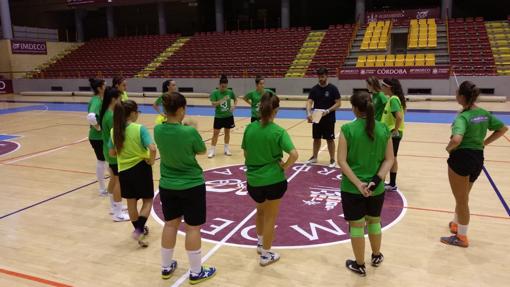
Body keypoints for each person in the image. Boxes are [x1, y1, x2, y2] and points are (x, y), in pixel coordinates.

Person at [155, 92, 216, 284]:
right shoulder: (189, 132)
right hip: (191, 185)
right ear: (181, 109)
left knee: (170, 224)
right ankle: (196, 272)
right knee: (192, 228)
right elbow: (202, 150)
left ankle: (166, 267)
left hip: (167, 184)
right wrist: (192, 130)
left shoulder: (157, 130)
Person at [441, 81, 508, 247]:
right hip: (478, 158)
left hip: (461, 159)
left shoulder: (463, 117)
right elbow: (502, 129)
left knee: (462, 200)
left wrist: (448, 148)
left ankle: (461, 237)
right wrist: (484, 143)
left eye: (457, 93)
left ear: (462, 97)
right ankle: (456, 224)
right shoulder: (484, 114)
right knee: (463, 196)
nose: (455, 95)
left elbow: (457, 139)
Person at [338, 91, 394, 277]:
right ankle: (376, 256)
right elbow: (389, 160)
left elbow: (342, 161)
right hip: (376, 189)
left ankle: (360, 264)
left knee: (356, 225)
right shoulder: (384, 129)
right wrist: (375, 181)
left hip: (352, 189)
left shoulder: (347, 130)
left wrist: (359, 184)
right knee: (374, 220)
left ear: (354, 108)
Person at [242, 92, 299, 266]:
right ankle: (266, 254)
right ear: (276, 110)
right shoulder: (278, 132)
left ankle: (260, 244)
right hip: (273, 180)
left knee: (260, 211)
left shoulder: (250, 128)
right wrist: (284, 166)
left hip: (253, 181)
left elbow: (245, 152)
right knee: (270, 217)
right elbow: (294, 154)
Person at [110, 100, 156, 247]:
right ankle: (139, 229)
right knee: (148, 200)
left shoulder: (114, 131)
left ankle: (139, 231)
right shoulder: (139, 129)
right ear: (132, 113)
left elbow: (112, 153)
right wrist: (151, 160)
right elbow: (153, 148)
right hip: (141, 168)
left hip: (124, 170)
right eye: (137, 112)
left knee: (131, 203)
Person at [99, 87, 130, 222]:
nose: (121, 100)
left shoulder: (106, 112)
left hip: (108, 150)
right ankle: (118, 213)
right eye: (119, 98)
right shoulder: (111, 116)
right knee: (118, 181)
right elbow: (117, 136)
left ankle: (114, 206)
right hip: (114, 152)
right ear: (113, 99)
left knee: (113, 179)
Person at [306, 67, 341, 168]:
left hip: (329, 118)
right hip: (317, 118)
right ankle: (314, 157)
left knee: (330, 139)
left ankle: (332, 159)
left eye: (322, 76)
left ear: (327, 76)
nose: (321, 79)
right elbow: (309, 102)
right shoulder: (314, 89)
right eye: (319, 77)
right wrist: (308, 113)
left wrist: (328, 110)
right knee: (316, 138)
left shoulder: (333, 88)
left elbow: (338, 103)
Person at [380, 78, 406, 192]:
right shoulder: (392, 99)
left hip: (393, 134)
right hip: (392, 133)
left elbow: (399, 117)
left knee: (390, 158)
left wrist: (395, 130)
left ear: (389, 87)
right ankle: (392, 183)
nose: (381, 88)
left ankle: (390, 183)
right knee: (392, 157)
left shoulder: (393, 99)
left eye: (383, 85)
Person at [86, 78, 107, 196]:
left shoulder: (100, 99)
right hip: (97, 137)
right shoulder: (96, 100)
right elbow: (91, 116)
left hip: (101, 137)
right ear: (99, 88)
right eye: (105, 85)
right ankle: (102, 189)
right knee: (102, 162)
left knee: (105, 162)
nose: (106, 87)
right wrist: (98, 128)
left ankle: (107, 187)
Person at [208, 75, 237, 158]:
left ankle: (226, 149)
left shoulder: (230, 92)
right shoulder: (215, 93)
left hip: (228, 116)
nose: (224, 88)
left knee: (227, 132)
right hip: (219, 116)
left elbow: (236, 99)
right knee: (215, 133)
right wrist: (222, 100)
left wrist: (234, 106)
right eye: (222, 86)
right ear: (219, 85)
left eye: (225, 86)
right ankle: (212, 150)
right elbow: (213, 104)